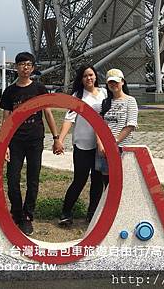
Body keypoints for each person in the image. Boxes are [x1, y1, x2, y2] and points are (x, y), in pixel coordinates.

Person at [0, 51, 59, 236]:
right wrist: (4, 145)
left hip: (35, 139)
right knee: (13, 179)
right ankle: (17, 212)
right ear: (16, 67)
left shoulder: (39, 89)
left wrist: (56, 138)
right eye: (21, 64)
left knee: (33, 179)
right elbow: (6, 119)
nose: (25, 67)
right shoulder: (10, 91)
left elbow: (48, 113)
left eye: (28, 64)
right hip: (15, 141)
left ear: (32, 68)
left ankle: (27, 215)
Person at [55, 65, 107, 226]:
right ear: (81, 79)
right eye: (85, 76)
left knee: (97, 181)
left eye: (91, 75)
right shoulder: (77, 96)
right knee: (80, 179)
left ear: (96, 76)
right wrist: (60, 140)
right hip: (83, 145)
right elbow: (68, 120)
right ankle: (66, 212)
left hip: (101, 145)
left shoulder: (105, 93)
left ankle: (92, 214)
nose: (88, 78)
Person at [95, 68, 138, 187]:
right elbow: (99, 125)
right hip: (105, 149)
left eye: (116, 81)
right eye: (110, 82)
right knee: (107, 183)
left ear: (123, 82)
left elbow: (131, 125)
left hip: (121, 147)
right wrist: (100, 144)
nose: (113, 84)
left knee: (122, 182)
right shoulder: (105, 103)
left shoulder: (130, 101)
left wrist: (114, 142)